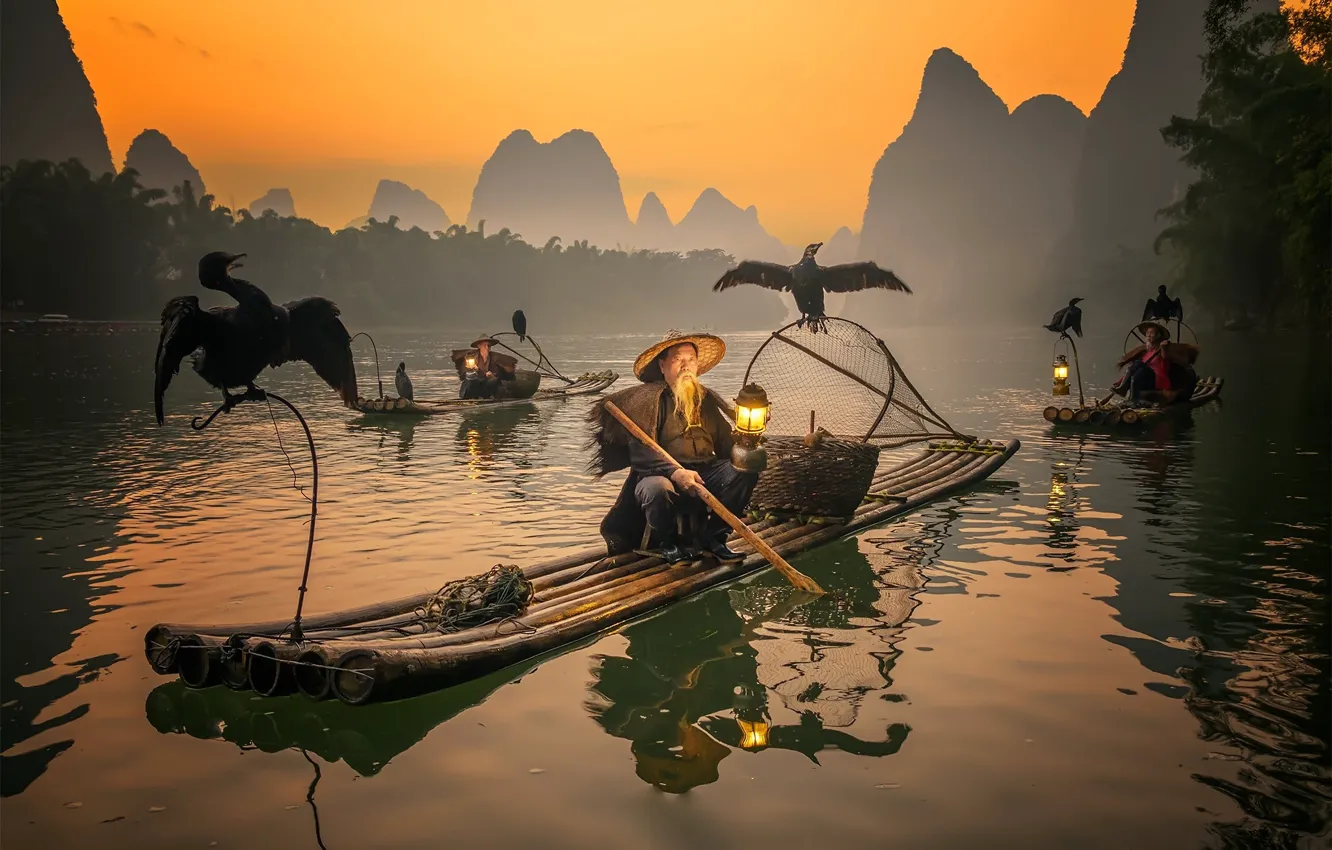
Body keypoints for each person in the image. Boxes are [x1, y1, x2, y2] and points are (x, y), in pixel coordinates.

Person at [588, 330, 758, 565]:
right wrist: (676, 472)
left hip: (705, 472)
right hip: (657, 475)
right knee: (658, 488)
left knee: (745, 467)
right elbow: (641, 455)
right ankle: (669, 543)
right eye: (678, 359)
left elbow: (725, 445)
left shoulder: (705, 399)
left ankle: (715, 537)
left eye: (691, 359)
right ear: (662, 366)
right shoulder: (648, 401)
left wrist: (748, 445)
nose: (685, 365)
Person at [1113, 321, 1199, 404]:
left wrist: (1164, 347)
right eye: (1147, 333)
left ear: (1158, 335)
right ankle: (1125, 390)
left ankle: (1133, 399)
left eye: (1151, 333)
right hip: (1144, 380)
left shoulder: (1163, 349)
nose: (1148, 335)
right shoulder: (1146, 352)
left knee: (1140, 367)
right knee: (1136, 365)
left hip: (1157, 382)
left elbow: (1165, 356)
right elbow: (1132, 370)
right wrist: (1121, 381)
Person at [450, 336, 517, 400]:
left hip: (488, 388)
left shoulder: (495, 359)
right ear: (479, 346)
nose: (487, 348)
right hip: (473, 387)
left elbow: (499, 376)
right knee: (472, 380)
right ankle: (471, 398)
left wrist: (493, 376)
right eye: (484, 345)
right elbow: (465, 375)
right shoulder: (471, 358)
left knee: (492, 381)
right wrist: (476, 370)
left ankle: (488, 397)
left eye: (489, 346)